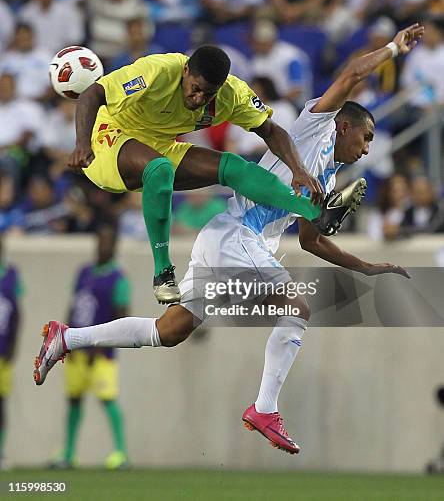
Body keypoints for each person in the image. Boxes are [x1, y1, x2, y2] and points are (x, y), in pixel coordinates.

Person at [33, 24, 423, 455]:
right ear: (345, 125)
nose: (367, 149)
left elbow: (312, 241)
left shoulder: (328, 176)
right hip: (239, 237)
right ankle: (264, 408)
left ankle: (66, 338)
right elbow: (351, 73)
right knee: (297, 306)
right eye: (366, 137)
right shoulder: (316, 128)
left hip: (227, 240)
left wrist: (367, 266)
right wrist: (392, 48)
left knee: (170, 331)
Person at [65, 45, 365, 304]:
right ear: (185, 72)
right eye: (194, 89)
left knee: (234, 167)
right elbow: (92, 93)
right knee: (160, 168)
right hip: (107, 140)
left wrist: (298, 170)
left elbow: (271, 131)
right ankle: (163, 273)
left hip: (157, 146)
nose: (197, 99)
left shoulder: (232, 95)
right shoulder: (155, 71)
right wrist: (81, 144)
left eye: (207, 94)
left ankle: (316, 212)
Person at [49, 224, 130, 470]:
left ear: (114, 247)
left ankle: (120, 452)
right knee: (74, 399)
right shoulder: (84, 272)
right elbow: (74, 307)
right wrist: (64, 339)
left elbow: (121, 316)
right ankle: (69, 452)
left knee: (108, 399)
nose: (102, 246)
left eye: (108, 242)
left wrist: (102, 346)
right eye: (100, 240)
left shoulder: (119, 279)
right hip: (76, 350)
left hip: (101, 353)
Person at [0, 236, 23, 468]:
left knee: (0, 402)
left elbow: (17, 312)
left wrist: (13, 346)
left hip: (2, 349)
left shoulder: (10, 274)